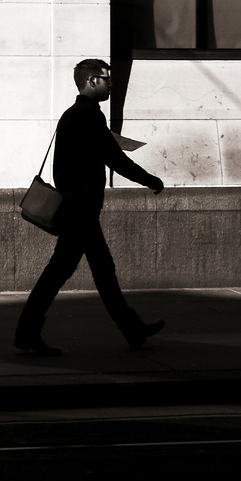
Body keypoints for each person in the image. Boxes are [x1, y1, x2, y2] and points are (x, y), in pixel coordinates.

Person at [14, 59, 166, 357]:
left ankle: (132, 329)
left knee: (101, 271)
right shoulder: (88, 116)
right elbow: (115, 159)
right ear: (92, 81)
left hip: (78, 209)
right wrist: (150, 180)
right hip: (81, 212)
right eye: (107, 79)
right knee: (60, 273)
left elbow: (71, 162)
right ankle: (26, 333)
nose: (112, 84)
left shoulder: (73, 115)